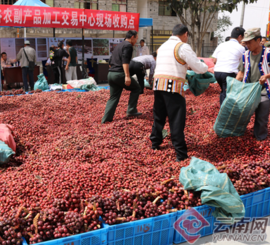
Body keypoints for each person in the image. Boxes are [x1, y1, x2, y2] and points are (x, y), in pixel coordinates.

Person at [150, 24, 208, 162]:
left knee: (159, 116)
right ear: (185, 34)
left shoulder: (163, 46)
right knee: (176, 120)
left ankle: (155, 143)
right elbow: (198, 67)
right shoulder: (182, 46)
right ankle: (180, 154)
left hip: (158, 85)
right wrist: (206, 68)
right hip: (173, 86)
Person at [236, 28, 270, 141]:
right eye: (245, 42)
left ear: (258, 40)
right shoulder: (245, 55)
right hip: (249, 92)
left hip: (265, 91)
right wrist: (234, 88)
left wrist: (267, 76)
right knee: (242, 116)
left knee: (261, 117)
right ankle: (244, 136)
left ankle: (260, 139)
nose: (247, 44)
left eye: (249, 42)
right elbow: (241, 73)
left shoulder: (268, 53)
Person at [101, 30, 141, 124]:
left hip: (111, 74)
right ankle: (131, 110)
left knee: (113, 97)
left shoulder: (119, 45)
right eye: (136, 38)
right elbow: (125, 61)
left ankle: (106, 120)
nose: (136, 41)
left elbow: (110, 62)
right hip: (119, 74)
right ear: (132, 37)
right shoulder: (128, 46)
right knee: (137, 88)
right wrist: (127, 76)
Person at [212, 27, 246, 105]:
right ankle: (225, 113)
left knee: (224, 91)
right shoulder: (241, 48)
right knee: (228, 93)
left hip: (217, 72)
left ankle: (223, 111)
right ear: (240, 36)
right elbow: (243, 63)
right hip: (229, 73)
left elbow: (214, 60)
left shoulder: (221, 45)